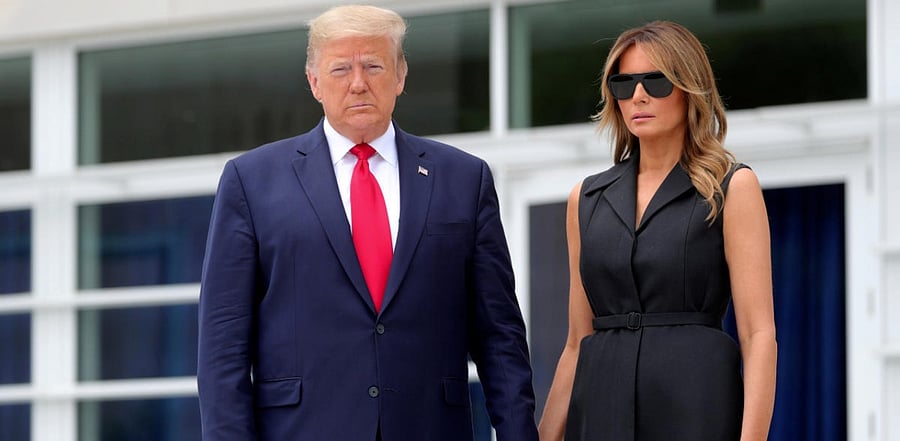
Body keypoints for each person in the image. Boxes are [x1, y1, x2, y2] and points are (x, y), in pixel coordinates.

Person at [197, 5, 539, 441]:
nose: (358, 82)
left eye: (373, 66)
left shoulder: (463, 179)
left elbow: (500, 338)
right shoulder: (252, 181)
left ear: (400, 76)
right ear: (314, 81)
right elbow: (222, 347)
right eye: (340, 68)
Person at [537, 21, 777, 441]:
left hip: (695, 399)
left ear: (690, 88)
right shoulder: (586, 199)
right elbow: (577, 341)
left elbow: (758, 334)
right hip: (602, 403)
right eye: (623, 83)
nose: (639, 95)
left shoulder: (731, 187)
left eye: (657, 81)